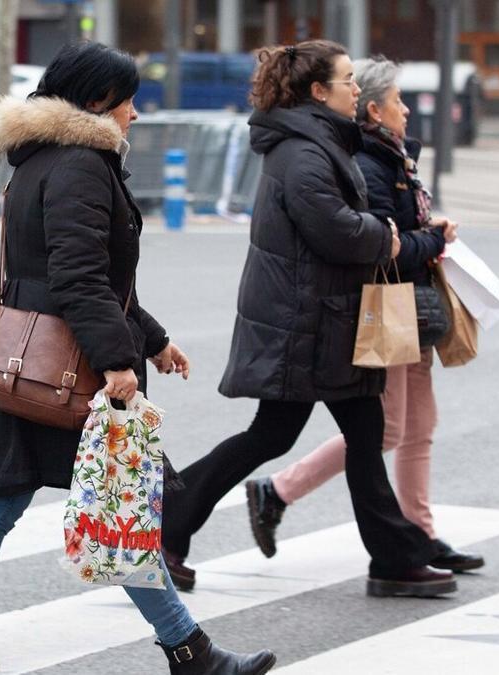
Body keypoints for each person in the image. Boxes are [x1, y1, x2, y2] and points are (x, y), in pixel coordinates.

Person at [0, 42, 276, 675]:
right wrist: (119, 363)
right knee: (116, 505)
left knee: (27, 504)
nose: (135, 114)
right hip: (63, 367)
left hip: (25, 358)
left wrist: (153, 339)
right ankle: (188, 652)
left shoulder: (41, 159)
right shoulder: (83, 166)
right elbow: (80, 279)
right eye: (128, 102)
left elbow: (86, 279)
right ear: (95, 104)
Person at [160, 40, 456, 599]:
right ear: (319, 92)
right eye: (346, 79)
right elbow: (339, 230)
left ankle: (394, 558)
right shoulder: (303, 151)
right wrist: (389, 236)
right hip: (308, 322)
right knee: (284, 434)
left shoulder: (318, 143)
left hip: (323, 317)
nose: (354, 87)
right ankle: (170, 522)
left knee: (343, 433)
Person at [243, 56, 484, 574]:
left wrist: (427, 228)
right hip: (388, 309)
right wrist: (431, 239)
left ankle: (420, 532)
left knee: (420, 425)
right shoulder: (370, 163)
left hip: (412, 308)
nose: (406, 111)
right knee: (387, 429)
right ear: (375, 108)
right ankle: (279, 490)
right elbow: (381, 243)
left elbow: (400, 226)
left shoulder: (396, 156)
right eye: (398, 101)